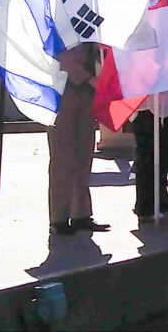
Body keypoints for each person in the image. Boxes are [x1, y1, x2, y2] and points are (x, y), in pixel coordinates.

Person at [47, 43, 108, 235]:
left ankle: (81, 214)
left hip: (87, 92)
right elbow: (60, 56)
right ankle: (59, 218)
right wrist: (89, 79)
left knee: (84, 153)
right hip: (62, 90)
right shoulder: (56, 17)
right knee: (63, 157)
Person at [132, 99, 168, 219]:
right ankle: (145, 206)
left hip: (166, 103)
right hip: (146, 104)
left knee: (165, 151)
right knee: (147, 153)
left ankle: (161, 197)